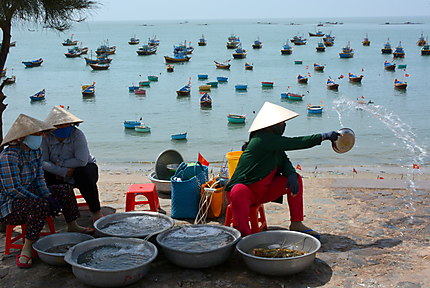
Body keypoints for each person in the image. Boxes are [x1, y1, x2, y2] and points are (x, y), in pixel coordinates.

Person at [225, 102, 340, 238]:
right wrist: (323, 136)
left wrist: (291, 173)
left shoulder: (275, 144)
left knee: (295, 178)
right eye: (282, 123)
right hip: (245, 194)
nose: (284, 126)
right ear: (272, 125)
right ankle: (244, 235)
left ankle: (296, 223)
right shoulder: (262, 139)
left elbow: (285, 162)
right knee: (239, 190)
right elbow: (297, 142)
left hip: (263, 192)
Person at [0, 114, 92, 268]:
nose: (41, 137)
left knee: (65, 190)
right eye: (36, 134)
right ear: (23, 137)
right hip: (10, 204)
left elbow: (39, 178)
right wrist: (41, 200)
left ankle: (72, 224)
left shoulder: (34, 152)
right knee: (39, 205)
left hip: (32, 193)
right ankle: (27, 248)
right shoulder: (9, 156)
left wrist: (48, 195)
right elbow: (13, 189)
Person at [41, 106, 103, 221]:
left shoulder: (77, 135)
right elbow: (43, 161)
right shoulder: (46, 138)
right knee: (43, 176)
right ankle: (51, 210)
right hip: (57, 171)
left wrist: (60, 164)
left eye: (66, 124)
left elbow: (81, 160)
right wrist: (63, 171)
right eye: (59, 125)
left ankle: (96, 211)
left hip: (80, 168)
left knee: (84, 173)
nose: (63, 127)